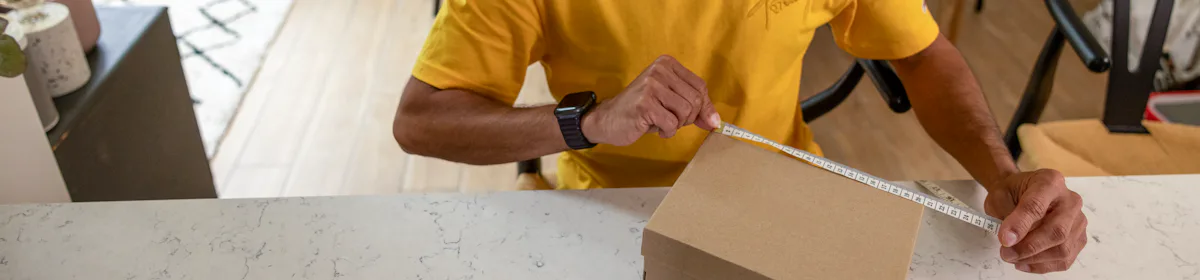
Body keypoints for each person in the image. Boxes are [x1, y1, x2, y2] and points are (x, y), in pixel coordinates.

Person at [393, 0, 1087, 274]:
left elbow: (923, 55)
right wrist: (586, 121)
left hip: (778, 199)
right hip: (611, 211)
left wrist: (1001, 176)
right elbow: (420, 118)